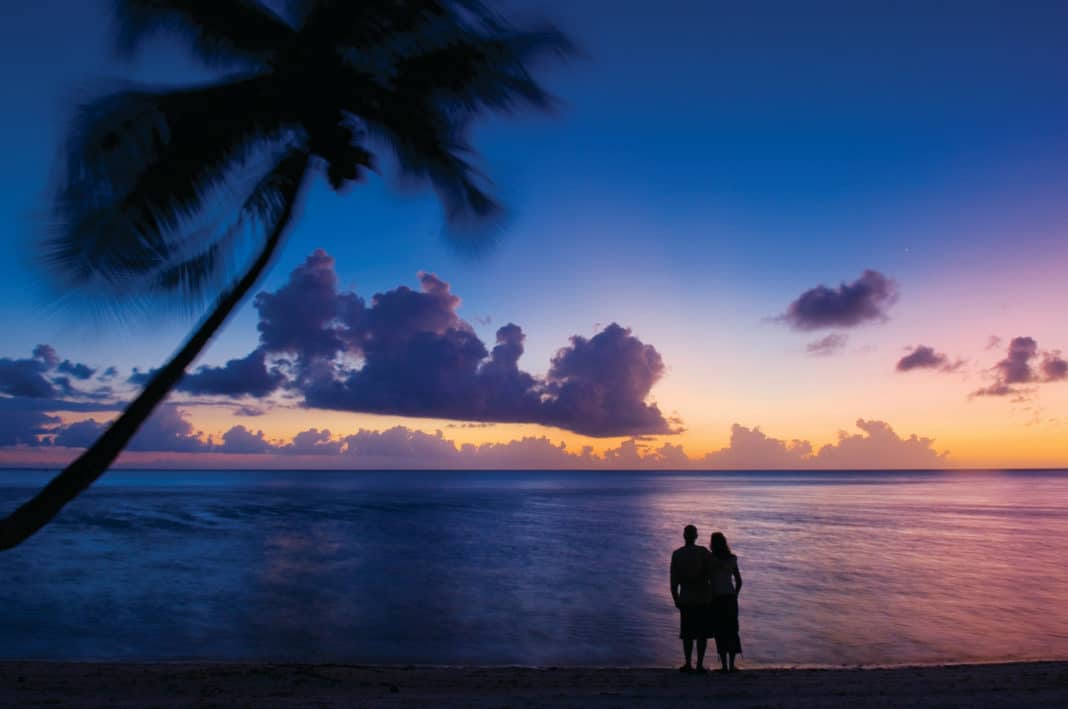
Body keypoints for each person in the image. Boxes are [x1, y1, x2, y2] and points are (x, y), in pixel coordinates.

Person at [670, 524, 713, 673]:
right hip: (703, 597)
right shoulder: (703, 553)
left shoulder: (677, 554)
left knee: (687, 633)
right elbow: (712, 573)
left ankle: (688, 663)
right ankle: (699, 664)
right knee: (701, 634)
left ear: (684, 536)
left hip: (686, 597)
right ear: (696, 536)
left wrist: (676, 598)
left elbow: (673, 581)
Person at [709, 531, 743, 672]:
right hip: (730, 597)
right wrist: (735, 594)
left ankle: (723, 666)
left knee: (720, 631)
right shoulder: (732, 559)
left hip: (717, 598)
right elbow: (739, 581)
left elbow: (709, 580)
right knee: (732, 630)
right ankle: (731, 665)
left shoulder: (711, 559)